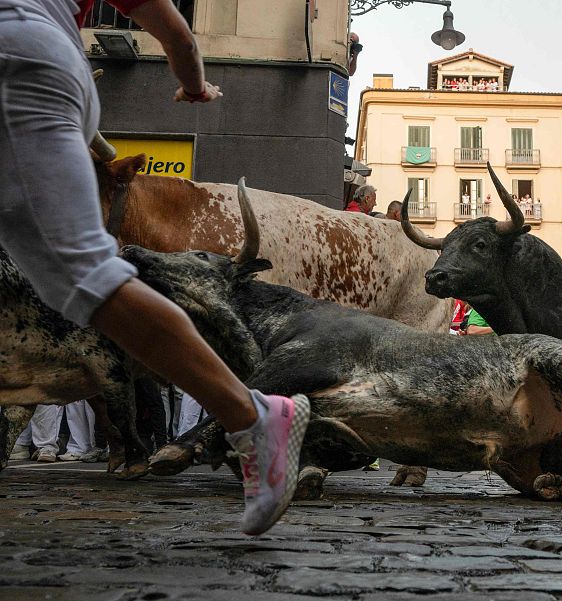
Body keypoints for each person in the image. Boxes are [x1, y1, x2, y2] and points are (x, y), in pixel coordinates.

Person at [0, 0, 310, 536]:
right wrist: (193, 84)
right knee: (80, 276)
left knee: (85, 275)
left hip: (19, 61)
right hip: (39, 60)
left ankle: (252, 417)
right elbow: (174, 30)